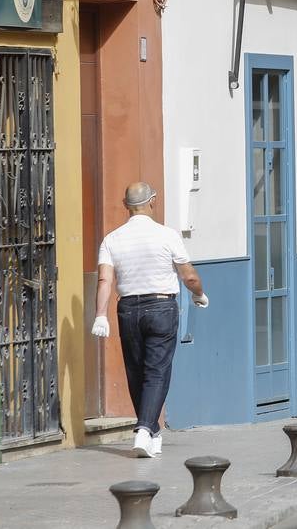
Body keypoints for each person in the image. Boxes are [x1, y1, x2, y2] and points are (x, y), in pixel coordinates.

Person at [92, 181, 208, 458]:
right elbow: (188, 276)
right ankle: (143, 429)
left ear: (125, 205)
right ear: (152, 201)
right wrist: (199, 294)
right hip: (161, 307)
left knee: (136, 371)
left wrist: (100, 315)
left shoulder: (112, 239)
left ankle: (152, 431)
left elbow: (105, 278)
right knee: (157, 370)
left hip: (128, 309)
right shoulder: (166, 235)